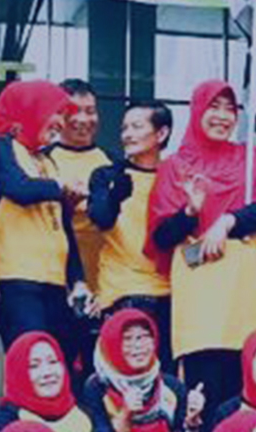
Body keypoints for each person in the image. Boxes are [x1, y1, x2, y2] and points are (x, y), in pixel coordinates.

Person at [149, 79, 256, 408]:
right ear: (197, 110)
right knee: (205, 386)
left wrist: (227, 222)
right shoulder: (175, 167)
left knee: (255, 378)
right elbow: (161, 235)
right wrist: (190, 212)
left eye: (230, 109)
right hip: (203, 293)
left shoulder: (249, 159)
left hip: (247, 286)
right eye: (214, 107)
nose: (223, 116)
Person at [0, 79, 81, 353]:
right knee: (31, 357)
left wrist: (78, 280)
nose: (61, 122)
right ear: (32, 108)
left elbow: (64, 227)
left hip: (55, 281)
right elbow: (19, 188)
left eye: (63, 115)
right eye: (56, 112)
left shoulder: (47, 160)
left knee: (58, 361)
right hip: (16, 278)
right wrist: (61, 186)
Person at [88, 100, 176, 366]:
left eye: (137, 127)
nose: (128, 134)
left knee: (166, 376)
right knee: (127, 372)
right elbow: (101, 219)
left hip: (173, 291)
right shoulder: (107, 175)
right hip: (124, 290)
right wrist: (116, 196)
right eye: (125, 128)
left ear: (161, 133)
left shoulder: (175, 177)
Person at [0, 331, 113, 432]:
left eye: (53, 362)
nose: (47, 373)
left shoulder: (84, 413)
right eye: (34, 366)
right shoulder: (6, 422)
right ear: (18, 373)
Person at [82, 308, 197, 432]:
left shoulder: (170, 386)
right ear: (112, 343)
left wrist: (192, 422)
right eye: (127, 339)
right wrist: (126, 413)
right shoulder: (97, 387)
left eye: (143, 337)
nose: (137, 346)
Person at [52, 79, 112, 297]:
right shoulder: (42, 160)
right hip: (55, 279)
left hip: (104, 283)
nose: (83, 119)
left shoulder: (113, 164)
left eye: (90, 111)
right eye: (74, 111)